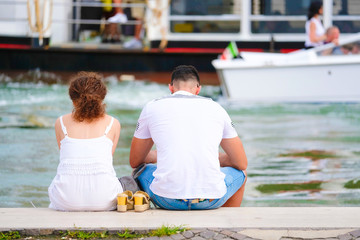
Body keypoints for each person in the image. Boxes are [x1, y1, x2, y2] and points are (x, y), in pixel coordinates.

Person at [129, 65, 247, 210]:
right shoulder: (217, 109)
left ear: (171, 88)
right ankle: (229, 220)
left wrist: (156, 156)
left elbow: (135, 161)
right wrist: (215, 157)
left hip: (166, 199)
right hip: (211, 200)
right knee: (242, 174)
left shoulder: (151, 107)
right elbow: (241, 163)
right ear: (198, 89)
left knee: (138, 171)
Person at [48, 72, 122, 211]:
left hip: (66, 200)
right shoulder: (113, 123)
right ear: (102, 98)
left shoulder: (61, 123)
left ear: (72, 98)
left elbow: (65, 155)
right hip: (104, 200)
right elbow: (106, 158)